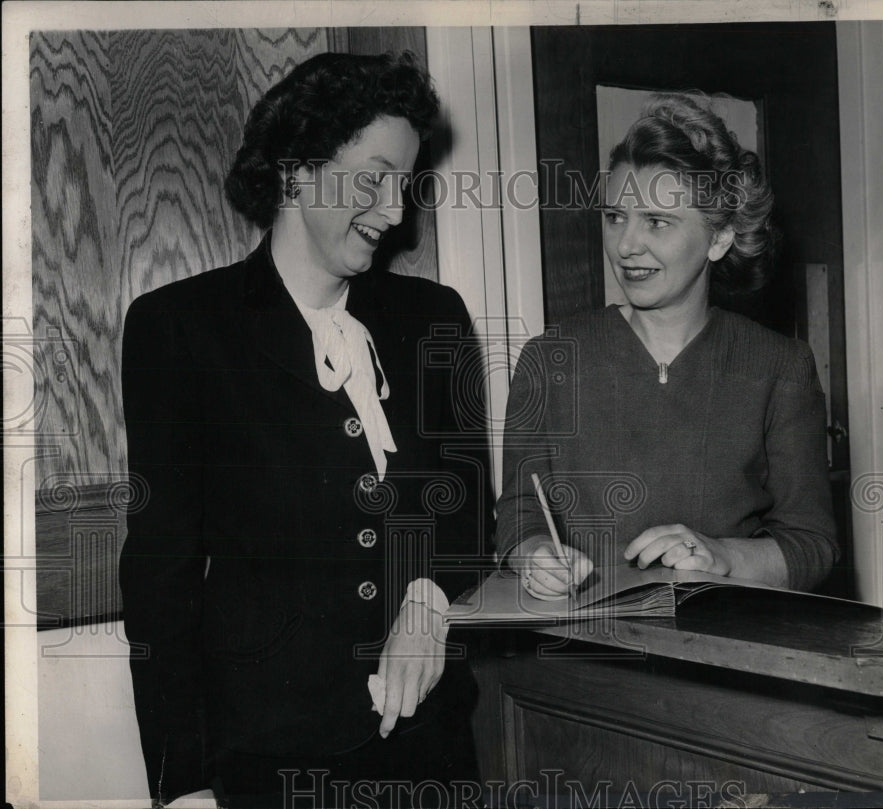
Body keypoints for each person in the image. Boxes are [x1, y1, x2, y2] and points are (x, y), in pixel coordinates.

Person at [119, 52, 489, 808]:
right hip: (269, 757)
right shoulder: (180, 328)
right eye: (375, 177)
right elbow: (162, 574)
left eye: (406, 184)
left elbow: (467, 504)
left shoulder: (433, 319)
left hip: (429, 744)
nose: (394, 211)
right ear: (298, 167)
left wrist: (426, 599)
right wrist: (182, 778)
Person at [496, 92, 838, 599]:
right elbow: (520, 513)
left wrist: (724, 557)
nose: (626, 245)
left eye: (656, 221)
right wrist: (533, 555)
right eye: (615, 217)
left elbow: (812, 547)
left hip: (721, 658)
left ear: (719, 238)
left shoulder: (780, 368)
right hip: (577, 663)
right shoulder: (549, 359)